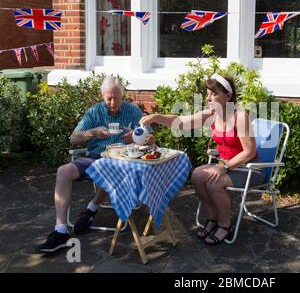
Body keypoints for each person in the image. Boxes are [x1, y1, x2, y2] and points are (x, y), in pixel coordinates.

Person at [139, 73, 264, 245]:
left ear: (228, 95)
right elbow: (181, 122)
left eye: (214, 94)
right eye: (208, 94)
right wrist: (156, 117)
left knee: (214, 182)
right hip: (227, 166)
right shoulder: (212, 114)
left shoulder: (240, 117)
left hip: (249, 168)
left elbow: (249, 152)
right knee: (197, 175)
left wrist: (225, 167)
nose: (209, 98)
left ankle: (225, 224)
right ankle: (213, 218)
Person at [37, 75, 155, 253]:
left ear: (122, 95)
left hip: (122, 162)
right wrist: (92, 132)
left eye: (116, 97)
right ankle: (60, 230)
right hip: (94, 158)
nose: (113, 102)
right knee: (63, 171)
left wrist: (138, 136)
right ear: (102, 96)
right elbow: (74, 138)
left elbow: (152, 140)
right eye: (109, 98)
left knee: (110, 168)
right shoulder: (94, 112)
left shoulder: (133, 112)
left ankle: (91, 208)